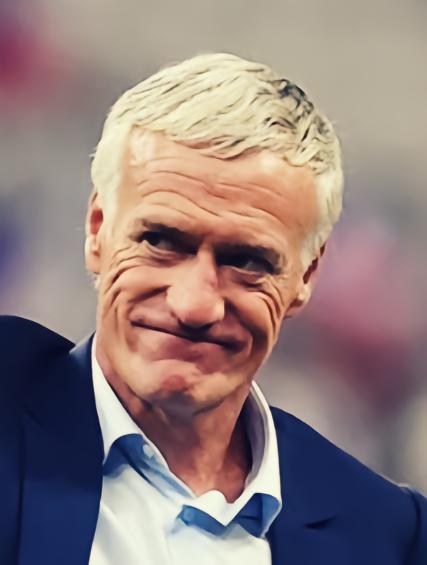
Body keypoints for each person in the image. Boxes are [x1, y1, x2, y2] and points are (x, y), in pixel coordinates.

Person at [0, 53, 425, 565]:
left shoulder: (387, 536)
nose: (194, 305)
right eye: (160, 241)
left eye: (247, 261)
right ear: (98, 230)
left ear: (306, 276)